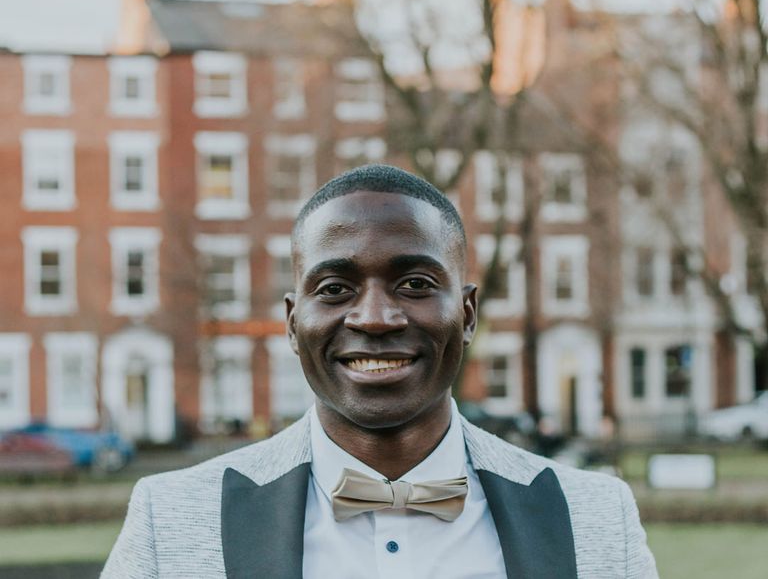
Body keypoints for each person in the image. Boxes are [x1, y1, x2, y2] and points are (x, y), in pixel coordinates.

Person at [102, 164, 658, 578]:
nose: (374, 318)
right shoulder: (168, 521)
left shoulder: (597, 518)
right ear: (294, 324)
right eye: (335, 289)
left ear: (466, 315)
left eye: (415, 284)